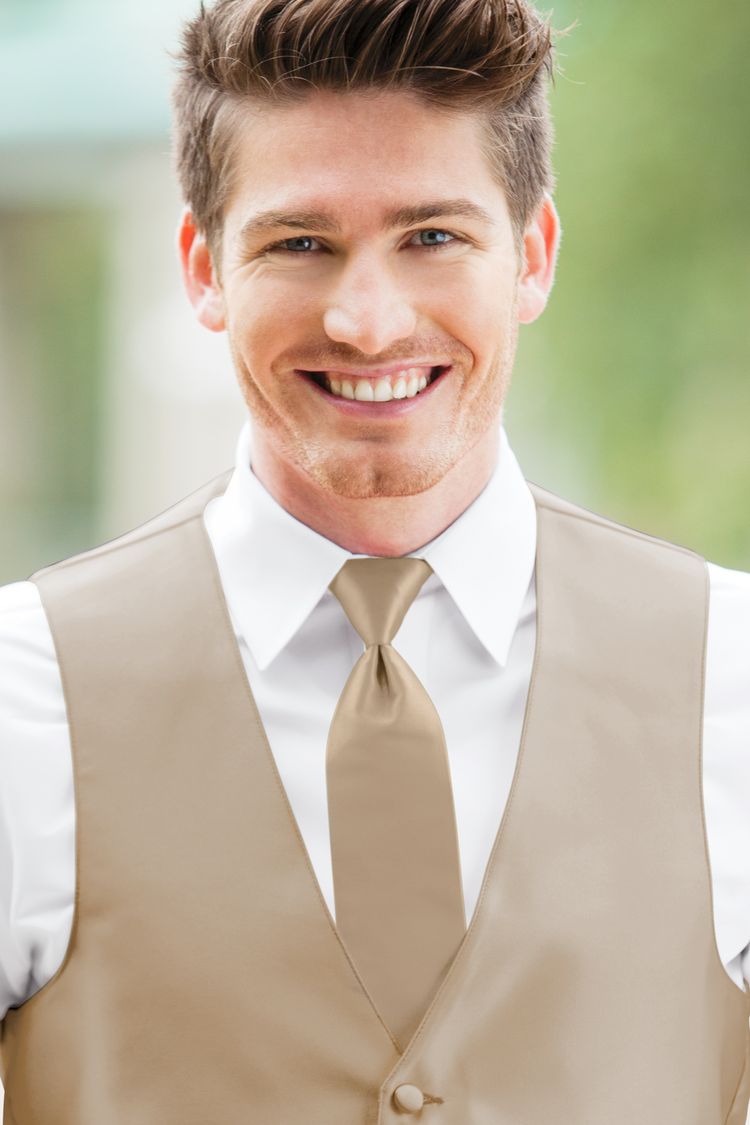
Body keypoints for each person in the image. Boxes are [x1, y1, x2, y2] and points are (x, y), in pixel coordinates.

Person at [0, 0, 748, 1120]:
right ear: (203, 268)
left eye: (432, 236)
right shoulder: (22, 696)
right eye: (300, 242)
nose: (366, 320)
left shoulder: (732, 675)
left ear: (532, 256)